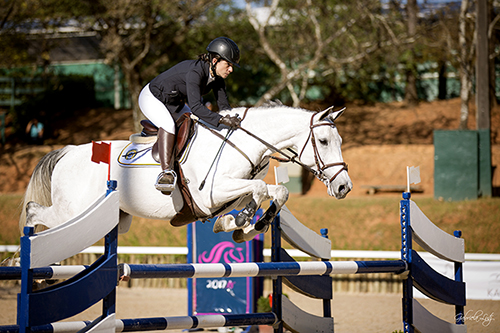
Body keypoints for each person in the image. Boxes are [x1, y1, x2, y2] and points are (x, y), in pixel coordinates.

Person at [138, 37, 242, 195]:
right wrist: (221, 120)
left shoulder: (218, 79)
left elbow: (224, 107)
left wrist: (236, 120)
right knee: (168, 125)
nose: (231, 70)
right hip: (152, 97)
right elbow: (196, 107)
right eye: (228, 64)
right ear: (215, 60)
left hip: (174, 102)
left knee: (197, 125)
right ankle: (166, 173)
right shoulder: (195, 72)